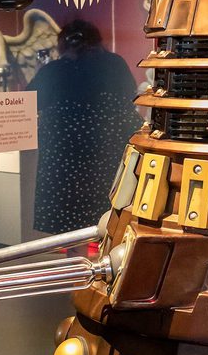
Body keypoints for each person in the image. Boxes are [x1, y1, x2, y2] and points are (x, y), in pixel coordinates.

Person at [27, 19, 142, 234]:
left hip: (65, 159)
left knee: (70, 225)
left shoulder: (54, 70)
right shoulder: (114, 63)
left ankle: (77, 253)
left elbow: (31, 101)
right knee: (111, 215)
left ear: (63, 43)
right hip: (108, 151)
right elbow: (130, 94)